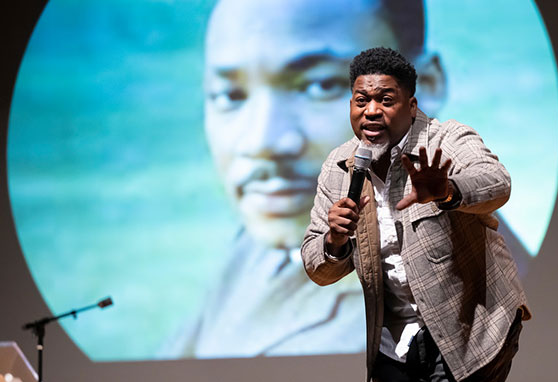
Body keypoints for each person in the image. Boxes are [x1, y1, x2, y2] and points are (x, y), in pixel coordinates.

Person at [160, 0, 530, 358]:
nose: (263, 142)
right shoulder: (263, 241)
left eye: (320, 85)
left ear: (424, 88)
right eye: (230, 94)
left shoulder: (449, 298)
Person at [302, 47, 531, 382]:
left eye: (385, 99)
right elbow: (317, 263)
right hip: (398, 342)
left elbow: (495, 181)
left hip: (470, 327)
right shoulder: (340, 167)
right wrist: (334, 241)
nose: (370, 111)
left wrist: (446, 190)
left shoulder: (447, 139)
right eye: (360, 99)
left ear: (411, 103)